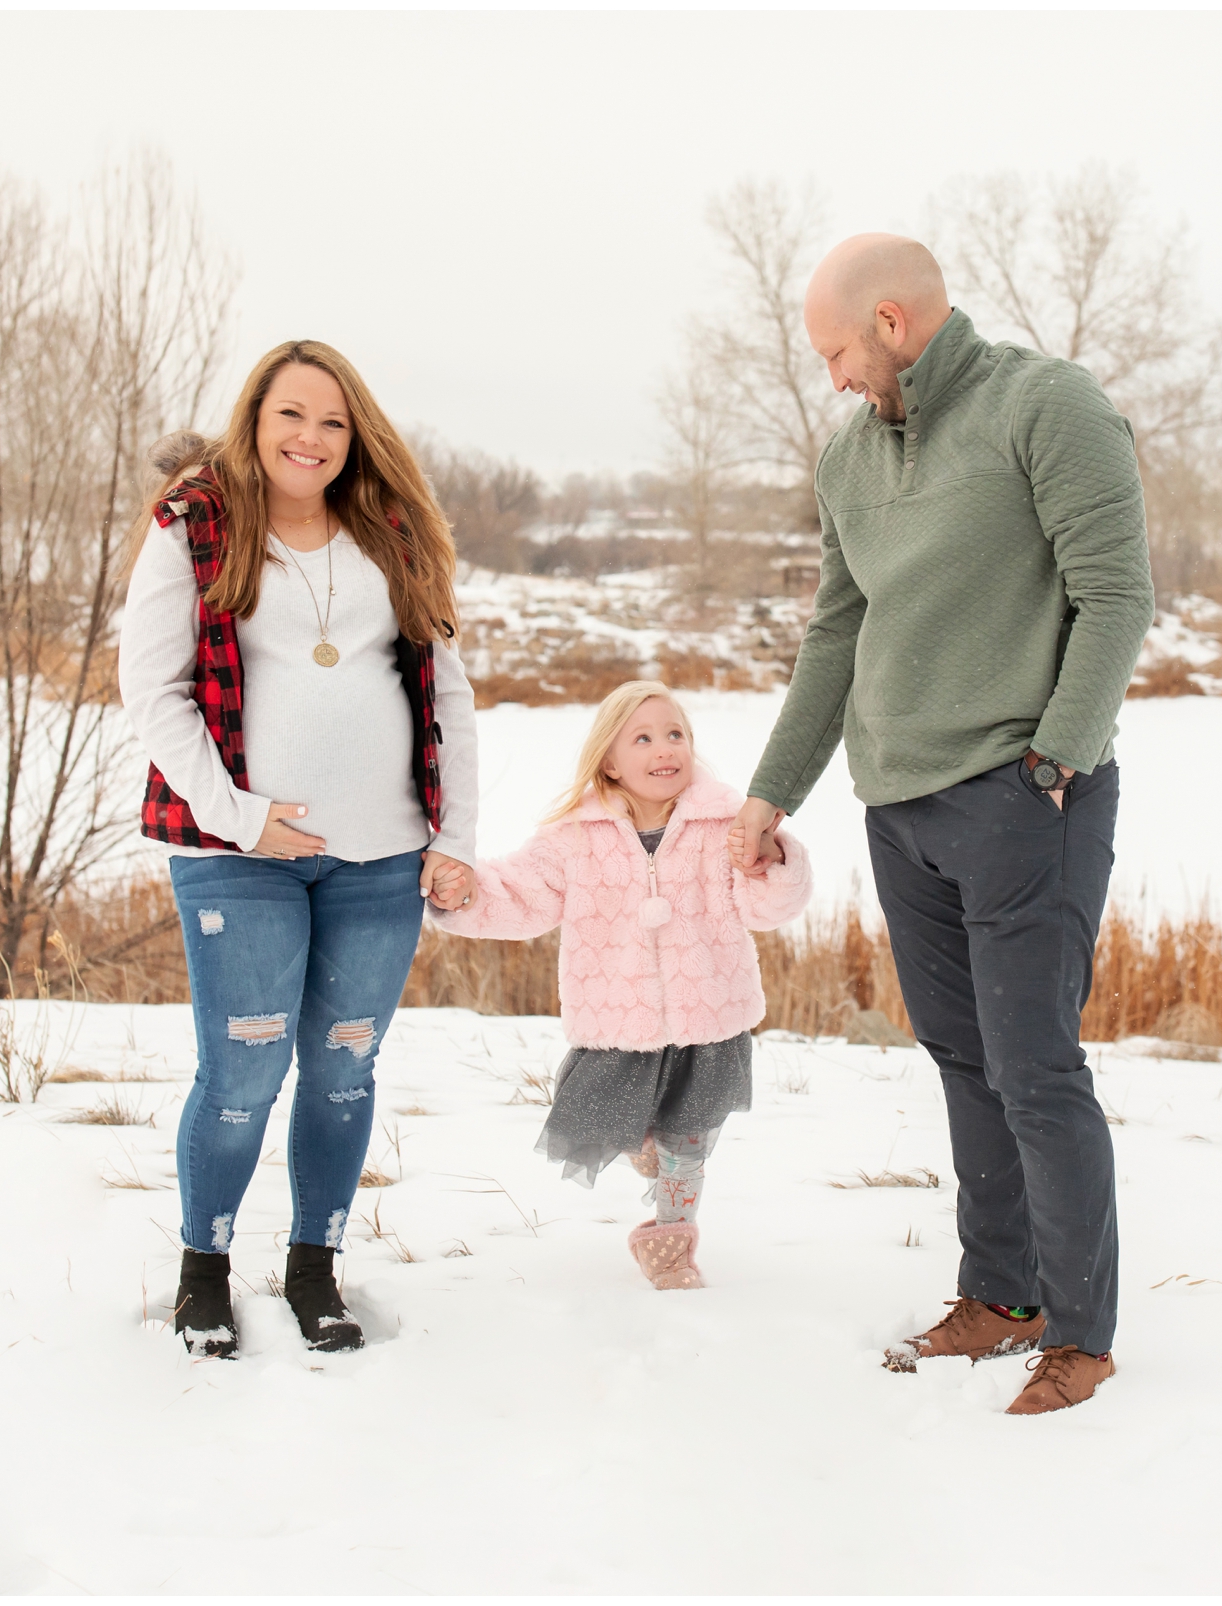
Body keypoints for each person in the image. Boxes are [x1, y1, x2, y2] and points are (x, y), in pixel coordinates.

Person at [728, 235, 1154, 1413]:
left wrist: (1056, 761)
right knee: (964, 1060)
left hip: (1026, 798)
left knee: (1034, 1068)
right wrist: (774, 790)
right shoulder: (848, 460)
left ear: (895, 322)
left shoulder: (1047, 405)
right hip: (899, 808)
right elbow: (835, 633)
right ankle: (1003, 1293)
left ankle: (1081, 1332)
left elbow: (1117, 593)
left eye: (837, 353)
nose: (834, 379)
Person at [118, 339, 479, 1360]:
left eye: (331, 420)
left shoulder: (391, 530)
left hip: (380, 864)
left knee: (341, 1072)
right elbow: (153, 689)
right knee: (241, 1072)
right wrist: (240, 815)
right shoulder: (196, 525)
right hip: (239, 855)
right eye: (290, 415)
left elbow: (447, 688)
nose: (310, 438)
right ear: (255, 419)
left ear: (353, 433)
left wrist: (454, 838)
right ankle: (205, 1269)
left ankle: (314, 1265)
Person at [428, 682, 812, 1289]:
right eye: (643, 738)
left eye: (675, 734)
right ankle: (648, 1147)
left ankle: (669, 1246)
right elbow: (523, 894)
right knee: (623, 1127)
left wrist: (774, 858)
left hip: (708, 1015)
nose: (665, 749)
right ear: (609, 760)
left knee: (691, 1139)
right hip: (617, 1021)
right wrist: (466, 891)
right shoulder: (577, 837)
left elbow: (766, 906)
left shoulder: (722, 824)